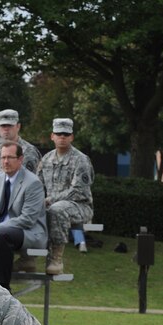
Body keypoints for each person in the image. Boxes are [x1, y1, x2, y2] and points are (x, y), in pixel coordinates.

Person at [0, 141, 48, 290]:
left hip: (29, 232)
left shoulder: (33, 183)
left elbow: (28, 219)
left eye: (10, 157)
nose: (6, 161)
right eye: (3, 157)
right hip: (1, 231)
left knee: (2, 235)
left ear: (20, 159)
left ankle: (2, 289)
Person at [37, 117, 94, 274]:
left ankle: (56, 258)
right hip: (51, 206)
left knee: (57, 209)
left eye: (66, 134)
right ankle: (27, 257)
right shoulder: (46, 159)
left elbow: (79, 191)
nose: (62, 137)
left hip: (80, 207)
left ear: (72, 137)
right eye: (59, 134)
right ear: (52, 136)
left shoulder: (80, 160)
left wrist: (49, 200)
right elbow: (37, 186)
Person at [0, 109, 41, 175]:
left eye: (10, 125)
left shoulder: (29, 151)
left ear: (18, 126)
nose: (6, 129)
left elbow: (35, 180)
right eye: (3, 126)